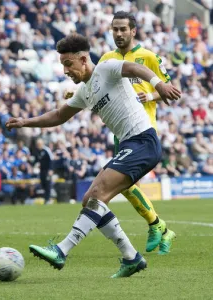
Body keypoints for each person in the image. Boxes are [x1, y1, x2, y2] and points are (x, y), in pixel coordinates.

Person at [6, 33, 181, 278]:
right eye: (62, 65)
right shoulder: (84, 91)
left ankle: (62, 250)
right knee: (90, 199)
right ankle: (131, 257)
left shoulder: (107, 68)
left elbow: (133, 68)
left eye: (68, 64)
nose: (66, 70)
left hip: (143, 141)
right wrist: (25, 122)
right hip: (130, 145)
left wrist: (157, 84)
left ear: (84, 59)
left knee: (98, 194)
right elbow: (58, 116)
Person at [97, 11, 177, 254]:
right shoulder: (107, 58)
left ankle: (157, 226)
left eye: (123, 29)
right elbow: (95, 86)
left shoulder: (148, 57)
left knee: (125, 182)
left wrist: (151, 94)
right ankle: (161, 228)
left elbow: (171, 90)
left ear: (133, 31)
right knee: (125, 184)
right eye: (115, 29)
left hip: (144, 128)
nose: (118, 33)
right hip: (120, 129)